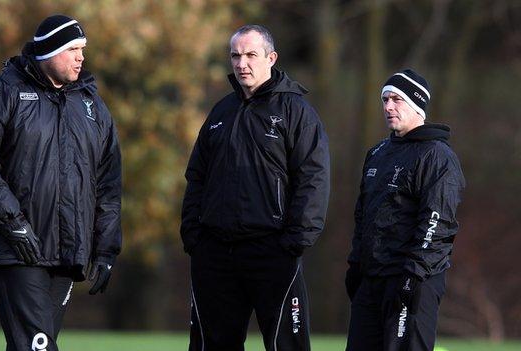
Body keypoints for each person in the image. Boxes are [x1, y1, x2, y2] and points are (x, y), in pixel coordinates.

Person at [0, 14, 121, 351]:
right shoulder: (3, 93)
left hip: (66, 252)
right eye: (73, 49)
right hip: (16, 248)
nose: (81, 57)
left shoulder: (92, 107)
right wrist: (13, 224)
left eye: (83, 50)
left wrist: (105, 249)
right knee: (38, 346)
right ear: (49, 52)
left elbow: (107, 183)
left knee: (31, 345)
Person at [181, 24, 330, 351]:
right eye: (235, 55)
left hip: (272, 250)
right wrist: (194, 235)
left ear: (271, 58)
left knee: (285, 344)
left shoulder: (296, 112)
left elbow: (313, 178)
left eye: (251, 55)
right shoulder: (222, 111)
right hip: (216, 252)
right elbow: (197, 176)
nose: (241, 63)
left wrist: (295, 240)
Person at [345, 69, 466, 351]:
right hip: (373, 279)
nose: (388, 106)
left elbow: (438, 222)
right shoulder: (377, 153)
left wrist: (413, 275)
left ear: (416, 104)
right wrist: (356, 264)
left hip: (413, 280)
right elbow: (363, 216)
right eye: (385, 99)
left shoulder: (436, 156)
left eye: (397, 99)